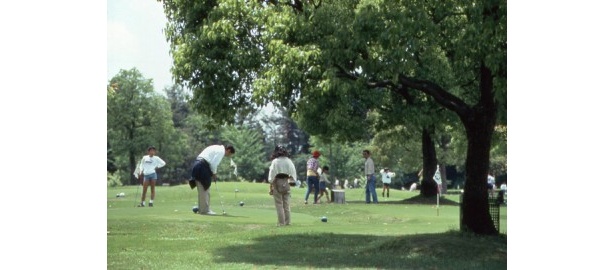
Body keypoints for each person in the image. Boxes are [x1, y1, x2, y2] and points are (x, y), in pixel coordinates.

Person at [190, 144, 235, 215]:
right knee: (205, 187)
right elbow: (213, 164)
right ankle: (204, 210)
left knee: (202, 187)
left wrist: (213, 173)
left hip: (198, 164)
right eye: (230, 154)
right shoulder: (221, 151)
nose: (228, 156)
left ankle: (202, 209)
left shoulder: (217, 148)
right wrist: (214, 174)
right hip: (202, 166)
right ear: (228, 150)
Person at [267, 145, 297, 226]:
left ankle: (281, 223)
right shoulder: (289, 161)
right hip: (286, 182)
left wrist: (271, 185)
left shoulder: (275, 161)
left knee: (279, 204)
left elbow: (271, 175)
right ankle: (288, 222)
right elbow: (293, 173)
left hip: (277, 181)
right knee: (286, 204)